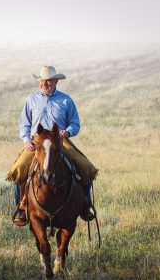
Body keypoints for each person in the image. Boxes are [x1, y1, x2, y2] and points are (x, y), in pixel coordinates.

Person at [6, 66, 98, 226]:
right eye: (42, 80)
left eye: (48, 81)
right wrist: (27, 140)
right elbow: (24, 123)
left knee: (86, 167)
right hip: (37, 142)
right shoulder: (31, 99)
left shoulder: (66, 100)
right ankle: (21, 207)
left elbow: (75, 123)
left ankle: (85, 204)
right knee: (17, 169)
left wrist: (67, 132)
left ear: (56, 81)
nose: (44, 83)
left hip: (59, 141)